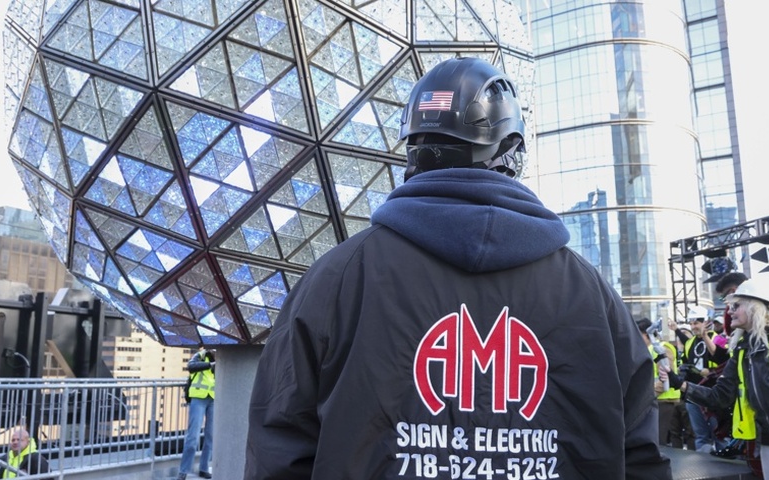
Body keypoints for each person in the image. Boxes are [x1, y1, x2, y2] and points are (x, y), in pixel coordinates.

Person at [244, 57, 671, 479]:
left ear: (413, 148)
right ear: (511, 150)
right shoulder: (591, 294)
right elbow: (638, 453)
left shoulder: (337, 277)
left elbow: (281, 445)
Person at [670, 279, 769, 479]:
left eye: (736, 306)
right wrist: (681, 385)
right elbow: (719, 397)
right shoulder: (742, 351)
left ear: (756, 306)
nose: (729, 311)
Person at [672, 305, 729, 453]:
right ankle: (704, 468)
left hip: (712, 394)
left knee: (719, 435)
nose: (693, 326)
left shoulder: (718, 339)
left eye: (696, 322)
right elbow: (685, 361)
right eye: (691, 323)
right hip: (693, 395)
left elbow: (724, 362)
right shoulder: (690, 343)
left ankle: (726, 469)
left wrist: (709, 371)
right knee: (700, 435)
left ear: (706, 322)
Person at [637, 317, 681, 448]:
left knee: (658, 441)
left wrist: (648, 395)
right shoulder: (649, 349)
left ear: (646, 334)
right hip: (655, 400)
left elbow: (667, 377)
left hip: (664, 400)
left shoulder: (662, 348)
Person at [178, 345, 215, 480]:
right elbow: (190, 366)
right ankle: (183, 472)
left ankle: (204, 468)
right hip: (198, 398)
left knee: (210, 437)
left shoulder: (224, 358)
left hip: (213, 399)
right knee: (192, 437)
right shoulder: (201, 355)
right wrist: (210, 365)